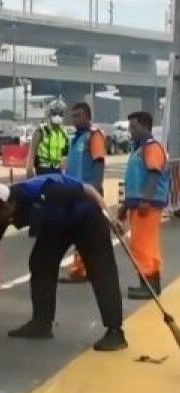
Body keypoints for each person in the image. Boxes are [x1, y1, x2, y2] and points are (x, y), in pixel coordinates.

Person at [0, 176, 127, 351]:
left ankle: (115, 332)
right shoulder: (1, 213)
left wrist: (110, 217)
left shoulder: (45, 191)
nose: (1, 220)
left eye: (1, 214)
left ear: (11, 204)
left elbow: (88, 189)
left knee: (101, 270)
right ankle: (42, 322)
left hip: (86, 217)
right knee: (40, 262)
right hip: (57, 224)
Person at [120, 111, 170, 299]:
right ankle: (151, 283)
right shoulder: (140, 148)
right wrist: (126, 205)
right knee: (144, 243)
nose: (131, 130)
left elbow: (154, 174)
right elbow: (136, 179)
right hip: (139, 204)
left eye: (134, 126)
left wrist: (145, 200)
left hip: (146, 205)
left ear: (145, 126)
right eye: (130, 127)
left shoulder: (151, 147)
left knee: (142, 244)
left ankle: (148, 286)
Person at [60, 102, 107, 283]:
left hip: (87, 193)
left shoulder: (93, 137)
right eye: (73, 116)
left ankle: (85, 270)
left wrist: (95, 187)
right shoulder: (76, 138)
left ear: (88, 117)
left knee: (86, 232)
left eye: (78, 115)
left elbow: (99, 162)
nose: (75, 119)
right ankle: (80, 269)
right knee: (80, 232)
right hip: (75, 193)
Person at [26, 98, 68, 176]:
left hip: (58, 170)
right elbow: (32, 151)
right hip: (43, 169)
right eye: (55, 113)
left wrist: (65, 169)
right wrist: (29, 168)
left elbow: (64, 154)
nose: (58, 116)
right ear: (49, 114)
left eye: (60, 114)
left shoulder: (63, 132)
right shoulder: (41, 131)